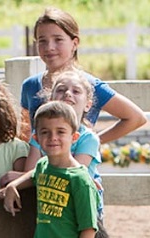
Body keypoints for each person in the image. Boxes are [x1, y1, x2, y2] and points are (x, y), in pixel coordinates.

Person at [21, 7, 146, 144]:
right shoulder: (30, 85)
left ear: (74, 43)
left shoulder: (89, 85)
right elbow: (25, 133)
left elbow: (136, 118)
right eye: (42, 40)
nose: (49, 47)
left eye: (58, 40)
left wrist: (93, 142)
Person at [3, 101, 99, 238]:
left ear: (74, 137)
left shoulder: (80, 180)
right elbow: (34, 174)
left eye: (60, 132)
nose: (52, 137)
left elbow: (88, 228)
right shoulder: (44, 165)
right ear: (36, 139)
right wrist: (13, 185)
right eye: (45, 132)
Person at [27, 70, 104, 216]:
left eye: (76, 91)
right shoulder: (39, 135)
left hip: (80, 206)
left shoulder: (88, 139)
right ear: (51, 99)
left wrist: (20, 177)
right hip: (50, 204)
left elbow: (72, 177)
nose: (68, 93)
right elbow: (30, 172)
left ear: (88, 105)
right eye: (61, 90)